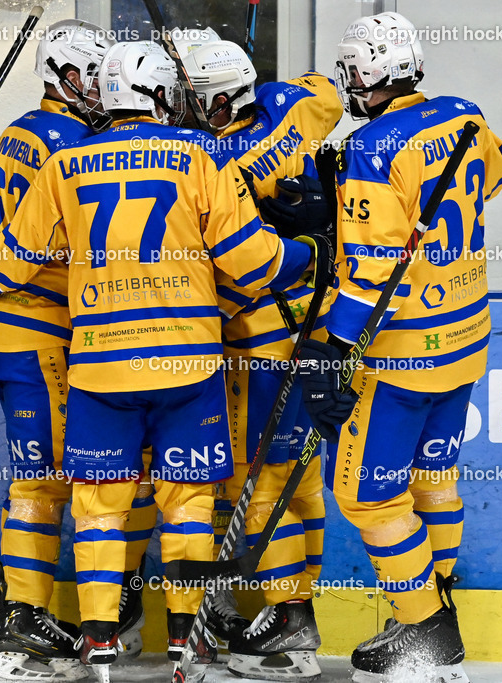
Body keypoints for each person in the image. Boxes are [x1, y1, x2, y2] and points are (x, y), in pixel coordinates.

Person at [0, 39, 324, 683]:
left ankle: (100, 640)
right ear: (160, 97)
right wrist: (311, 249)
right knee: (187, 501)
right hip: (189, 367)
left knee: (98, 505)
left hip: (98, 369)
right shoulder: (196, 159)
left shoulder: (66, 165)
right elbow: (257, 263)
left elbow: (8, 265)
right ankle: (187, 640)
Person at [0, 20, 152, 682]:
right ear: (67, 77)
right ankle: (24, 630)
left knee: (38, 477)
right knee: (46, 483)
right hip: (38, 331)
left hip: (0, 330)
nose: (104, 91)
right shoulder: (80, 148)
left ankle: (6, 612)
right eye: (94, 78)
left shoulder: (23, 129)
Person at [298, 11, 502, 683]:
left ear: (368, 72)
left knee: (365, 493)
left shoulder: (370, 148)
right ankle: (432, 606)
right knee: (434, 480)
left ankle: (424, 630)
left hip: (403, 354)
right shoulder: (465, 117)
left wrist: (333, 347)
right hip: (466, 336)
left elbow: (369, 267)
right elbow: (498, 175)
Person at [177, 36, 343, 681]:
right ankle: (293, 618)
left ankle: (289, 621)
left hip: (265, 335)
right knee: (302, 477)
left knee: (264, 477)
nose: (183, 110)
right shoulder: (292, 104)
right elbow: (327, 92)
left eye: (193, 99)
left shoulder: (206, 158)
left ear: (218, 101)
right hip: (321, 320)